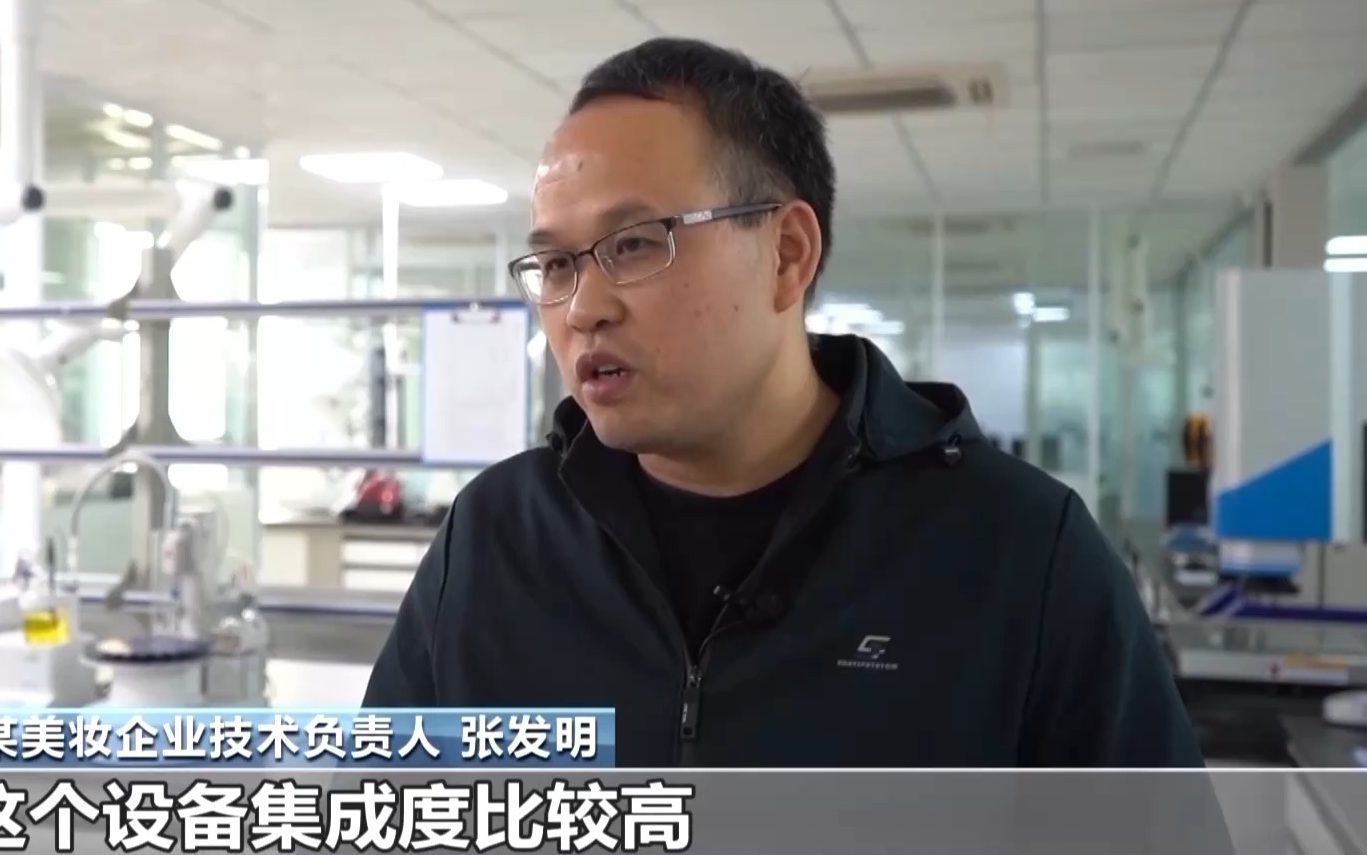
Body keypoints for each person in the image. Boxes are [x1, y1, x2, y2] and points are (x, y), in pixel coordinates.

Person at [363, 38, 1207, 770]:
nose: (582, 308)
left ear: (787, 255)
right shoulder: (495, 540)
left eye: (634, 244)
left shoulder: (1019, 555)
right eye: (555, 264)